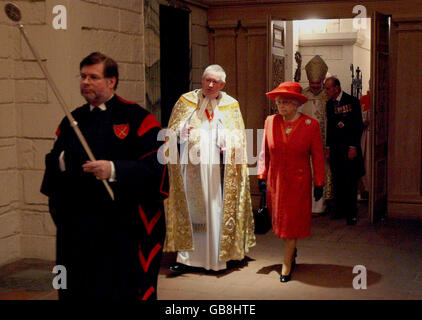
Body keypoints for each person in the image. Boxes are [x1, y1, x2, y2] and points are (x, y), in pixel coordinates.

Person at [40, 52, 168, 300]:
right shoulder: (71, 122)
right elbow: (53, 165)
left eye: (93, 77)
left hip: (122, 229)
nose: (85, 82)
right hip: (79, 230)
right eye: (83, 76)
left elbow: (157, 169)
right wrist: (62, 163)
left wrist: (114, 169)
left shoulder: (139, 119)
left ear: (111, 82)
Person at [164, 64, 256, 273]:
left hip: (218, 171)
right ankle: (186, 258)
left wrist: (228, 142)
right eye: (207, 80)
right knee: (190, 209)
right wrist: (181, 131)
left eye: (215, 81)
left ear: (223, 84)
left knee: (215, 209)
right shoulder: (186, 101)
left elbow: (238, 137)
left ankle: (218, 257)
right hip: (191, 167)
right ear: (202, 80)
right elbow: (171, 131)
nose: (210, 84)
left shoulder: (231, 105)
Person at [257, 81, 325, 282]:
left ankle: (286, 263)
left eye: (286, 102)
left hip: (299, 182)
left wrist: (319, 183)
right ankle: (291, 251)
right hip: (276, 182)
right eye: (279, 102)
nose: (282, 106)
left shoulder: (310, 125)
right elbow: (264, 153)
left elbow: (318, 157)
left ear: (296, 104)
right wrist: (262, 176)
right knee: (281, 222)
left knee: (292, 222)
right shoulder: (271, 121)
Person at [324, 76, 365, 225]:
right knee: (338, 180)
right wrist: (328, 148)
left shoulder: (352, 101)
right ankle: (339, 210)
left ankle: (351, 213)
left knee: (350, 181)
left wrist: (353, 146)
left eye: (328, 88)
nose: (326, 91)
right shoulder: (329, 104)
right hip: (335, 149)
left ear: (336, 88)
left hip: (349, 147)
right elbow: (330, 127)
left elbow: (357, 125)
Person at [298, 55, 333, 216]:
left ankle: (320, 206)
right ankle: (305, 204)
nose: (315, 86)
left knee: (322, 172)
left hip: (323, 140)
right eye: (312, 83)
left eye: (318, 84)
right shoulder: (302, 96)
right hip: (305, 142)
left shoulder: (328, 96)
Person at [359, 84, 371, 199]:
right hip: (365, 134)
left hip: (374, 134)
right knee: (364, 162)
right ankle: (365, 190)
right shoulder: (363, 100)